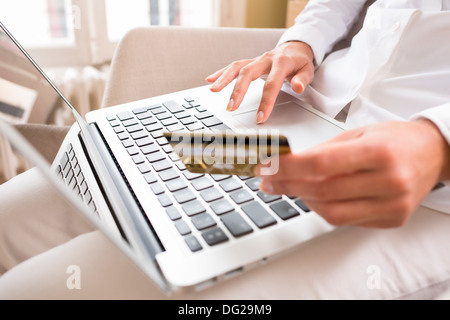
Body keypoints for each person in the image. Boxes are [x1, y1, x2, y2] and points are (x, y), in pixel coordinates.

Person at [0, 0, 450, 299]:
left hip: (426, 194)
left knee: (31, 290)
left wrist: (438, 143)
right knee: (22, 213)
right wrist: (301, 42)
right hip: (300, 117)